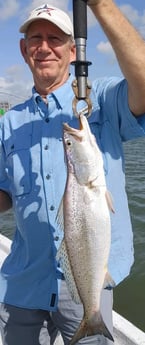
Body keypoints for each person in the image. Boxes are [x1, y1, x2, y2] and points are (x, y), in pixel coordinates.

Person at [0, 1, 145, 344]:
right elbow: (4, 195)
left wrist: (100, 5)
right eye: (36, 38)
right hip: (23, 280)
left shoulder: (102, 99)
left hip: (87, 277)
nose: (45, 47)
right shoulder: (9, 122)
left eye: (55, 38)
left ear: (71, 48)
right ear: (23, 49)